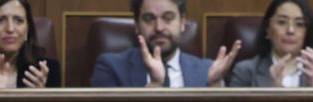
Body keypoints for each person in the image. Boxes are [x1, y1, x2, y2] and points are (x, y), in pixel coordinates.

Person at [91, 0, 239, 87]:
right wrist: (155, 86)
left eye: (168, 18)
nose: (159, 28)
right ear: (136, 24)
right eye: (149, 18)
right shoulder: (110, 67)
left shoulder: (207, 71)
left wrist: (215, 86)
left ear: (182, 22)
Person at [229, 0, 313, 87]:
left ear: (307, 33)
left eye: (299, 24)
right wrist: (273, 91)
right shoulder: (245, 71)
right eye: (282, 22)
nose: (290, 30)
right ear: (268, 29)